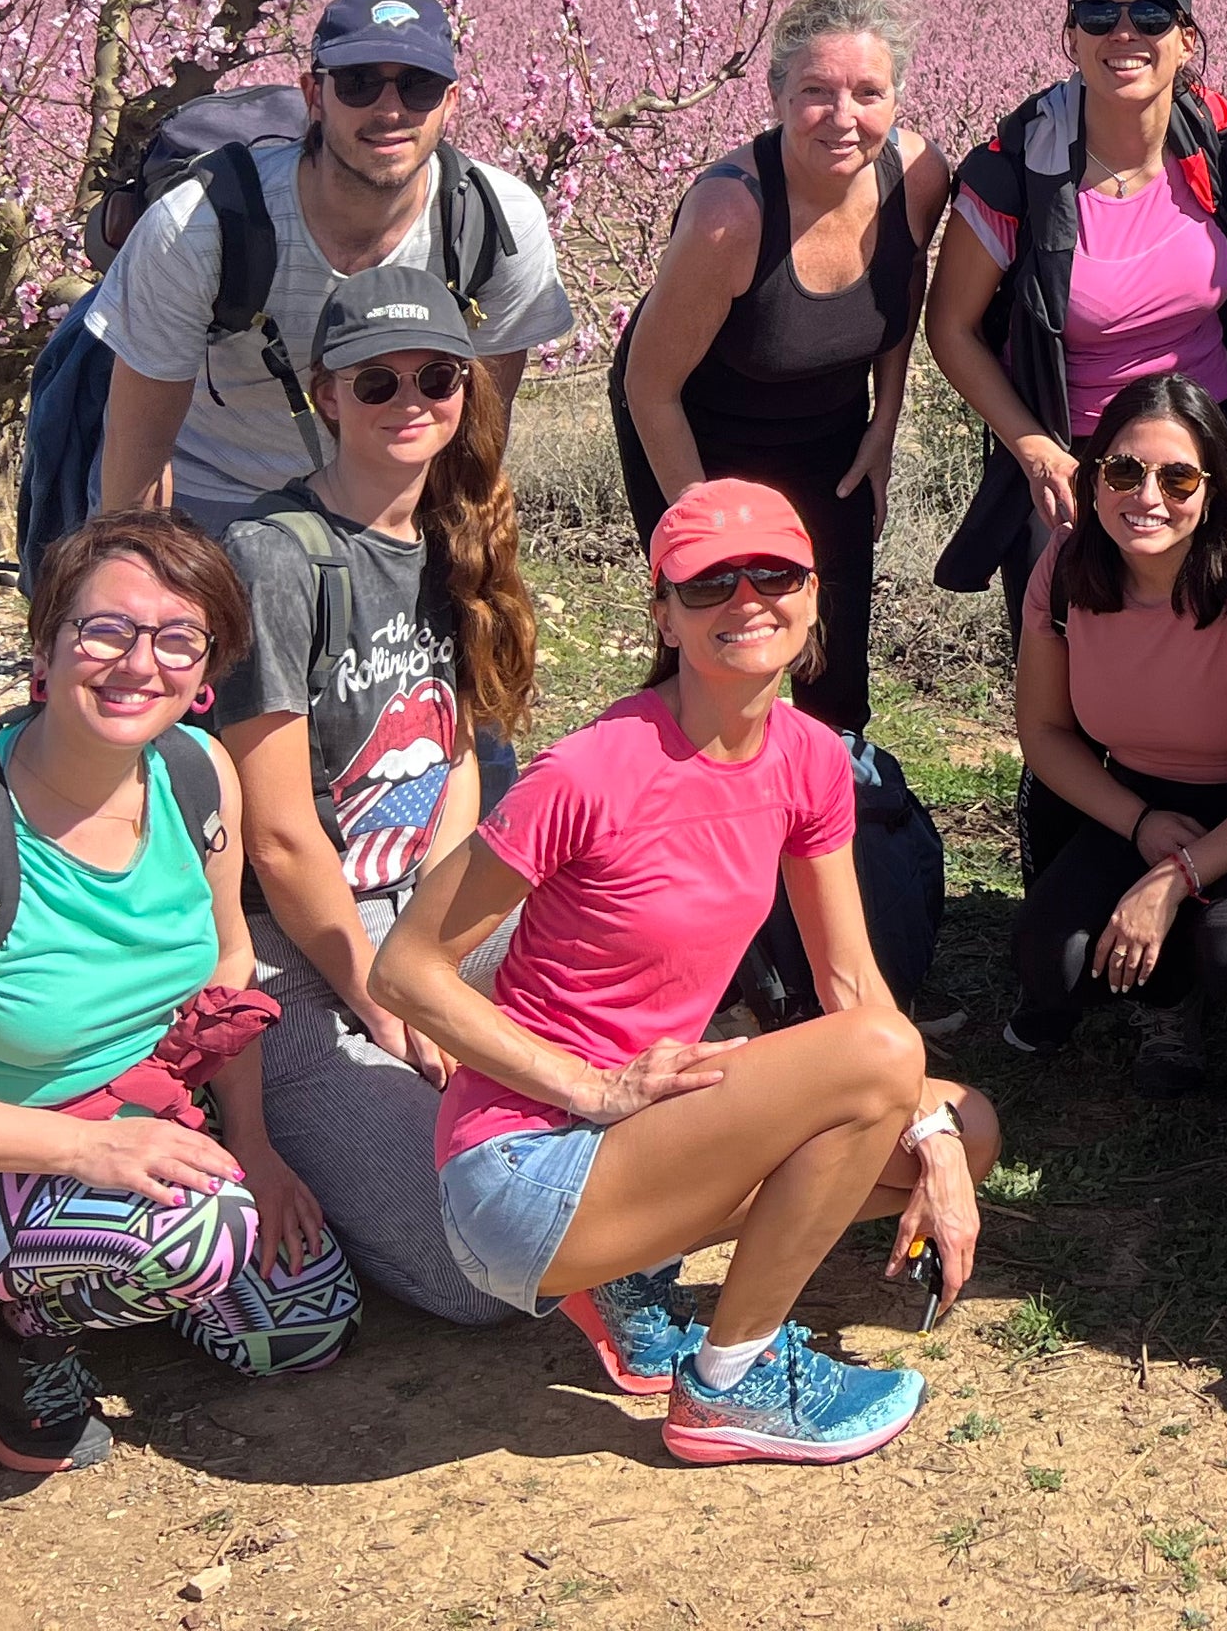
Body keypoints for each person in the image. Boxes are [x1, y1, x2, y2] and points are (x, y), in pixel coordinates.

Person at [375, 481, 996, 1467]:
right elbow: (407, 969)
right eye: (709, 584)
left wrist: (940, 1145)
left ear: (813, 594)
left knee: (964, 1127)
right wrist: (586, 1087)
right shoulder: (591, 771)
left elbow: (848, 981)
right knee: (882, 1057)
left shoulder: (810, 759)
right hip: (523, 1167)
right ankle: (728, 1382)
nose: (746, 599)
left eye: (774, 574)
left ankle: (629, 1275)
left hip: (644, 1141)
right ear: (664, 614)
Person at [0, 513, 356, 1512]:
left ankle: (75, 1271)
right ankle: (17, 1324)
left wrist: (255, 1145)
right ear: (42, 649)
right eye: (105, 629)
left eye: (177, 638)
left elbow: (226, 970)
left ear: (207, 670)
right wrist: (88, 1152)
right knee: (199, 1234)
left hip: (131, 1111)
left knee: (301, 1329)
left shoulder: (196, 773)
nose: (138, 663)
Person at [218, 270, 538, 1330]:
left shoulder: (457, 539)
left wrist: (437, 954)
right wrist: (387, 996)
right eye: (376, 381)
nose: (410, 400)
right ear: (326, 394)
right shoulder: (274, 557)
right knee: (472, 1278)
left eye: (436, 377)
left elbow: (455, 758)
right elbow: (277, 834)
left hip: (418, 906)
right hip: (301, 942)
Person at [87, 0, 577, 537]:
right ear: (314, 96)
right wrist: (134, 562)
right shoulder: (197, 227)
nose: (389, 111)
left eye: (419, 85)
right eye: (358, 82)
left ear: (451, 102)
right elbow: (140, 445)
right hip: (215, 498)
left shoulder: (497, 221)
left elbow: (481, 432)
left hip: (395, 507)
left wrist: (454, 555)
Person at [614, 0, 946, 741]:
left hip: (830, 428)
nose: (843, 117)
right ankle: (690, 785)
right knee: (717, 640)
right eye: (816, 91)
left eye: (868, 93)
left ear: (897, 98)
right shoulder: (729, 217)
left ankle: (830, 796)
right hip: (697, 426)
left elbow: (903, 291)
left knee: (835, 652)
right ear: (776, 96)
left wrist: (884, 423)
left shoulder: (919, 177)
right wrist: (706, 528)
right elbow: (649, 386)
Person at [1000, 374, 1227, 1117]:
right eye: (1123, 471)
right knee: (1053, 960)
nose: (1147, 496)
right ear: (1092, 478)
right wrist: (1141, 825)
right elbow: (1044, 734)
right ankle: (1166, 1001)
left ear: (1213, 489)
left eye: (1178, 478)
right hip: (1135, 798)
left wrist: (1176, 876)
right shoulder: (1064, 569)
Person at [929, 0, 1227, 614]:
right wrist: (1035, 451)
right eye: (1098, 14)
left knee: (1207, 643)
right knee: (1067, 646)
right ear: (1072, 37)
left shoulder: (1215, 136)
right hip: (1073, 458)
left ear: (1186, 40)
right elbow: (950, 328)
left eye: (1151, 15)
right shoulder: (1016, 168)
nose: (1124, 32)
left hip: (1205, 446)